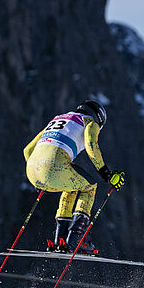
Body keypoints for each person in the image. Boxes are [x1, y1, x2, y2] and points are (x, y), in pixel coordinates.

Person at [23, 100, 125, 255]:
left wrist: (38, 174)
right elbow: (91, 146)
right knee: (90, 187)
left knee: (71, 186)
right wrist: (107, 174)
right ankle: (77, 237)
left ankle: (60, 238)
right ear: (99, 119)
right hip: (54, 166)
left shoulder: (57, 118)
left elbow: (27, 150)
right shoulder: (90, 122)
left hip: (32, 171)